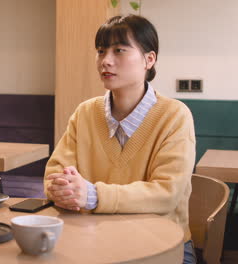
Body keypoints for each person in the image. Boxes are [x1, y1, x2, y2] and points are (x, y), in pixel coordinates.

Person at [44, 15, 196, 263]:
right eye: (101, 51)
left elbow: (166, 193)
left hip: (161, 243)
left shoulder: (174, 116)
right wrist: (61, 189)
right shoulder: (85, 112)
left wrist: (92, 196)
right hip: (92, 239)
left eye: (119, 51)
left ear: (149, 59)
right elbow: (54, 175)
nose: (106, 61)